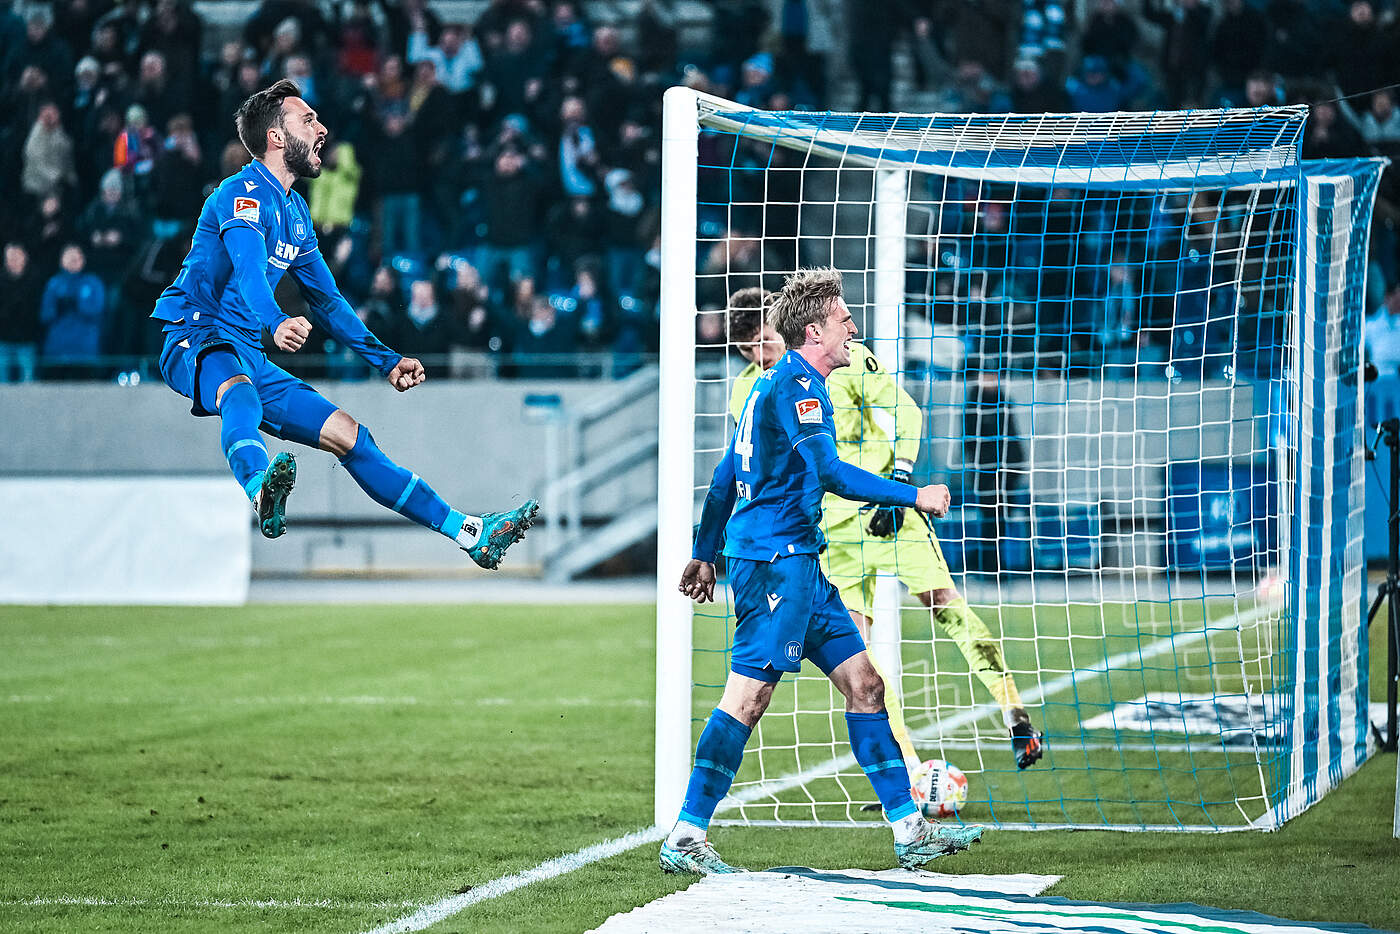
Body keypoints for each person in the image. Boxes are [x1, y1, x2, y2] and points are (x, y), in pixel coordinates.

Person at [662, 267, 985, 876]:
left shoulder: (770, 383)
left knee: (866, 685)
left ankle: (911, 831)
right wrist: (914, 496)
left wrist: (704, 553)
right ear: (815, 332)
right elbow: (830, 472)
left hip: (799, 563)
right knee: (749, 697)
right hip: (773, 567)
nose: (852, 328)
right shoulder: (799, 388)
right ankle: (685, 834)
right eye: (843, 319)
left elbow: (726, 475)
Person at [149, 79, 536, 567]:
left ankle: (468, 532)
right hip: (195, 333)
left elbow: (328, 302)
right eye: (308, 120)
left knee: (351, 436)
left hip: (246, 349)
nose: (322, 129)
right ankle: (259, 487)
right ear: (275, 137)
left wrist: (386, 360)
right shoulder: (239, 194)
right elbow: (248, 272)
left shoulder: (295, 211)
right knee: (239, 393)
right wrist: (275, 321)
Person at [725, 288, 1043, 772]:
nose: (759, 353)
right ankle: (909, 769)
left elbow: (905, 411)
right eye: (748, 348)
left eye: (764, 340)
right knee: (860, 658)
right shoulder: (748, 390)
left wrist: (901, 475)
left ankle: (1015, 714)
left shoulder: (846, 359)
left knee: (945, 605)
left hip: (886, 512)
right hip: (831, 534)